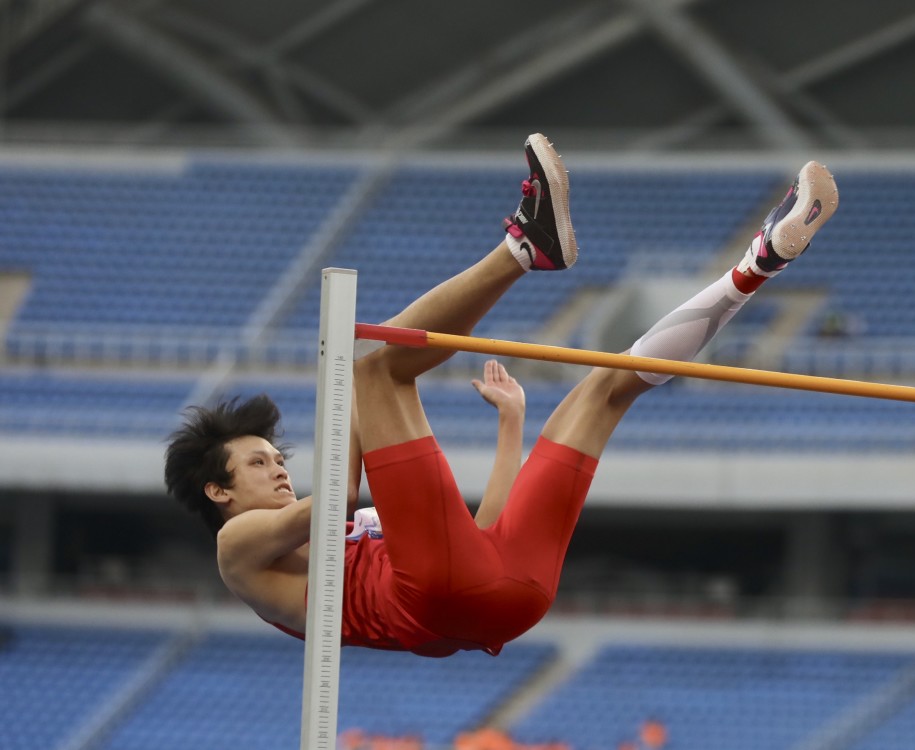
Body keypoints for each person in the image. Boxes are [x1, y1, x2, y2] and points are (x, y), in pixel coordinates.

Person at [164, 134, 839, 656]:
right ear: (218, 493)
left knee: (604, 390)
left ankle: (761, 262)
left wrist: (512, 428)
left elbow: (482, 536)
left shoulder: (339, 540)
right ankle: (523, 247)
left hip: (509, 596)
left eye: (275, 457)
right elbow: (339, 496)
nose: (279, 466)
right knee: (372, 370)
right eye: (258, 463)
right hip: (434, 598)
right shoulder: (238, 546)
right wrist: (344, 381)